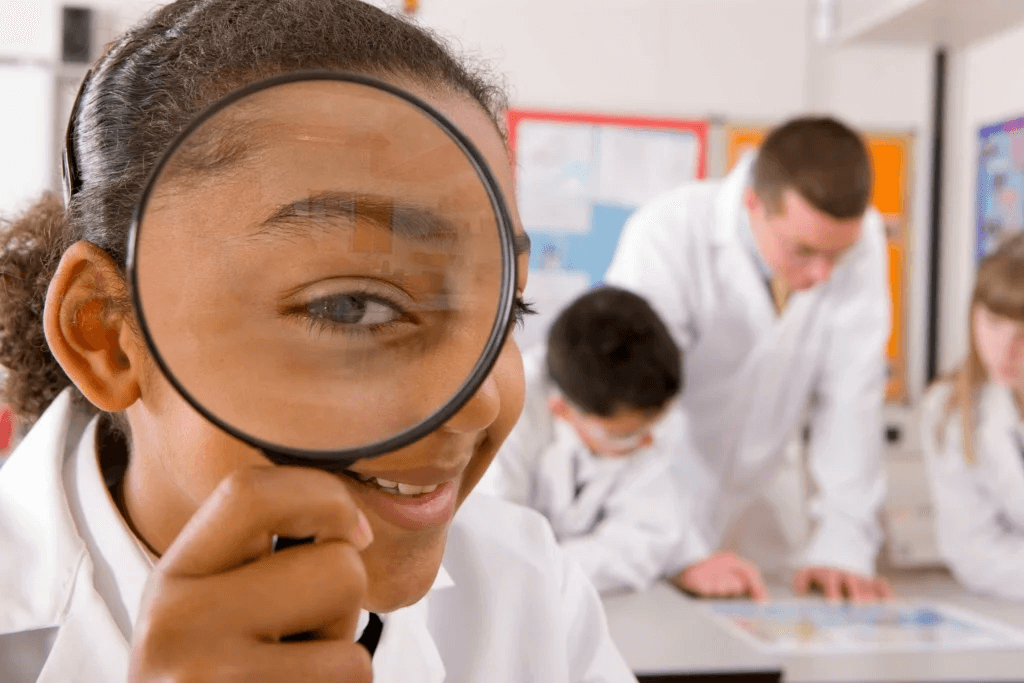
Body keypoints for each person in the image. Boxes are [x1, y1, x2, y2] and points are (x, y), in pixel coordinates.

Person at [0, 2, 637, 681]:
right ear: (108, 335)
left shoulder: (529, 589)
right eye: (352, 306)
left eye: (506, 309)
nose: (477, 401)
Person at [605, 116, 893, 603]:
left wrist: (844, 545)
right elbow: (634, 405)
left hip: (763, 511)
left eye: (836, 256)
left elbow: (852, 401)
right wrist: (678, 546)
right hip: (650, 508)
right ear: (753, 202)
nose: (822, 274)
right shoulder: (667, 234)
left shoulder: (860, 243)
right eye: (803, 250)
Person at [485, 286, 748, 596]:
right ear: (562, 411)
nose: (647, 443)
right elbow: (498, 550)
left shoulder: (640, 402)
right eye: (625, 436)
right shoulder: (505, 412)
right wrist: (563, 565)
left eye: (653, 428)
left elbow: (646, 538)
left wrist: (548, 566)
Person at [920, 233, 1024, 601]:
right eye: (993, 323)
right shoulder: (953, 410)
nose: (1005, 351)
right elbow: (974, 552)